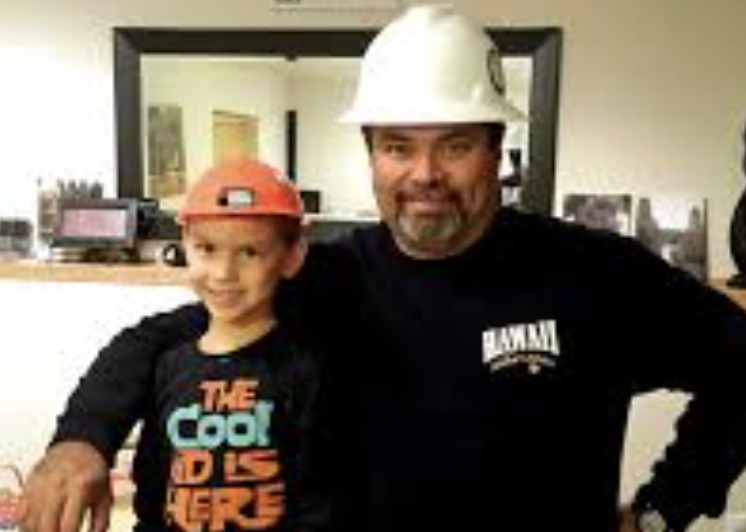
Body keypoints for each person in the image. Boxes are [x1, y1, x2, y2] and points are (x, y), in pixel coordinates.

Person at [21, 5, 746, 532]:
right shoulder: (329, 278)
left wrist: (662, 511)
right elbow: (161, 338)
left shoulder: (593, 275)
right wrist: (83, 437)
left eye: (455, 145)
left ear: (497, 151)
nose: (424, 174)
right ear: (371, 155)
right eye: (398, 146)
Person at [22, 158, 331, 532]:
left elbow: (320, 499)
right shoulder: (165, 362)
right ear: (184, 243)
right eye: (207, 248)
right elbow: (154, 488)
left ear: (293, 255)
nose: (223, 273)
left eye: (250, 252)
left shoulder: (309, 367)